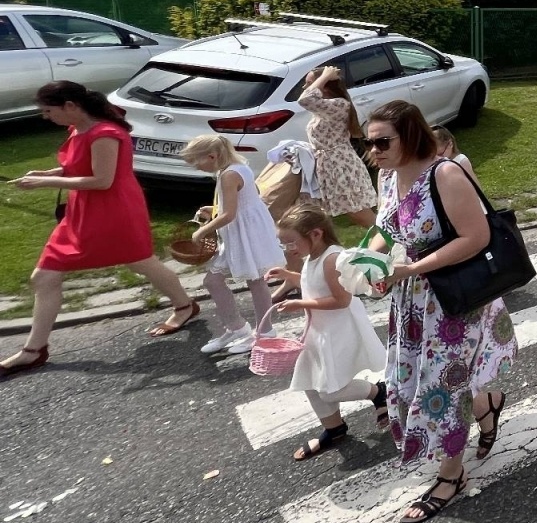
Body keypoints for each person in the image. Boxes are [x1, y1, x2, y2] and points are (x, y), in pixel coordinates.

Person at [367, 100, 517, 523]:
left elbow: (476, 237)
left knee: (443, 386)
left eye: (382, 142)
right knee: (417, 378)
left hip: (452, 300)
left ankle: (452, 475)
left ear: (410, 135)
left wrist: (412, 269)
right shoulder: (388, 176)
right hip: (412, 298)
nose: (373, 151)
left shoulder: (445, 173)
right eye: (369, 143)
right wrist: (370, 261)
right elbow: (385, 228)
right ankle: (487, 404)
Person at [1, 81, 198, 377]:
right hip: (83, 211)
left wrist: (46, 182)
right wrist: (48, 172)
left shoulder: (104, 133)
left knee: (140, 262)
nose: (45, 116)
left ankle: (184, 306)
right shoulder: (78, 129)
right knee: (44, 276)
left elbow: (102, 180)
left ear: (70, 105)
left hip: (114, 211)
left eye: (48, 110)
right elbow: (80, 167)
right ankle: (34, 350)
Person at [274, 203, 389, 461]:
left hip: (338, 330)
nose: (288, 249)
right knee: (308, 380)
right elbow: (313, 283)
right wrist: (289, 275)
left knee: (330, 389)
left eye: (291, 242)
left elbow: (341, 300)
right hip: (320, 330)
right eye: (284, 244)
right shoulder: (313, 256)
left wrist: (300, 303)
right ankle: (333, 428)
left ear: (316, 234)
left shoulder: (332, 259)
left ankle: (377, 392)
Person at [181, 135, 283, 356]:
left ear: (212, 156)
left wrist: (202, 230)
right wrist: (213, 209)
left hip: (246, 233)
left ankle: (264, 331)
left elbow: (229, 214)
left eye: (197, 162)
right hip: (244, 229)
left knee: (255, 280)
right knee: (214, 280)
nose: (197, 168)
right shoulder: (235, 168)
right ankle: (237, 328)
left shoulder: (229, 174)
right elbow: (244, 199)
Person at [296, 67, 379, 227]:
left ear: (325, 86)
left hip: (340, 165)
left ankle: (388, 238)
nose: (305, 87)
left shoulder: (340, 105)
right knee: (344, 211)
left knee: (358, 211)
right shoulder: (325, 107)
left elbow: (305, 100)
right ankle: (382, 237)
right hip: (329, 165)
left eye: (309, 83)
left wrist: (325, 75)